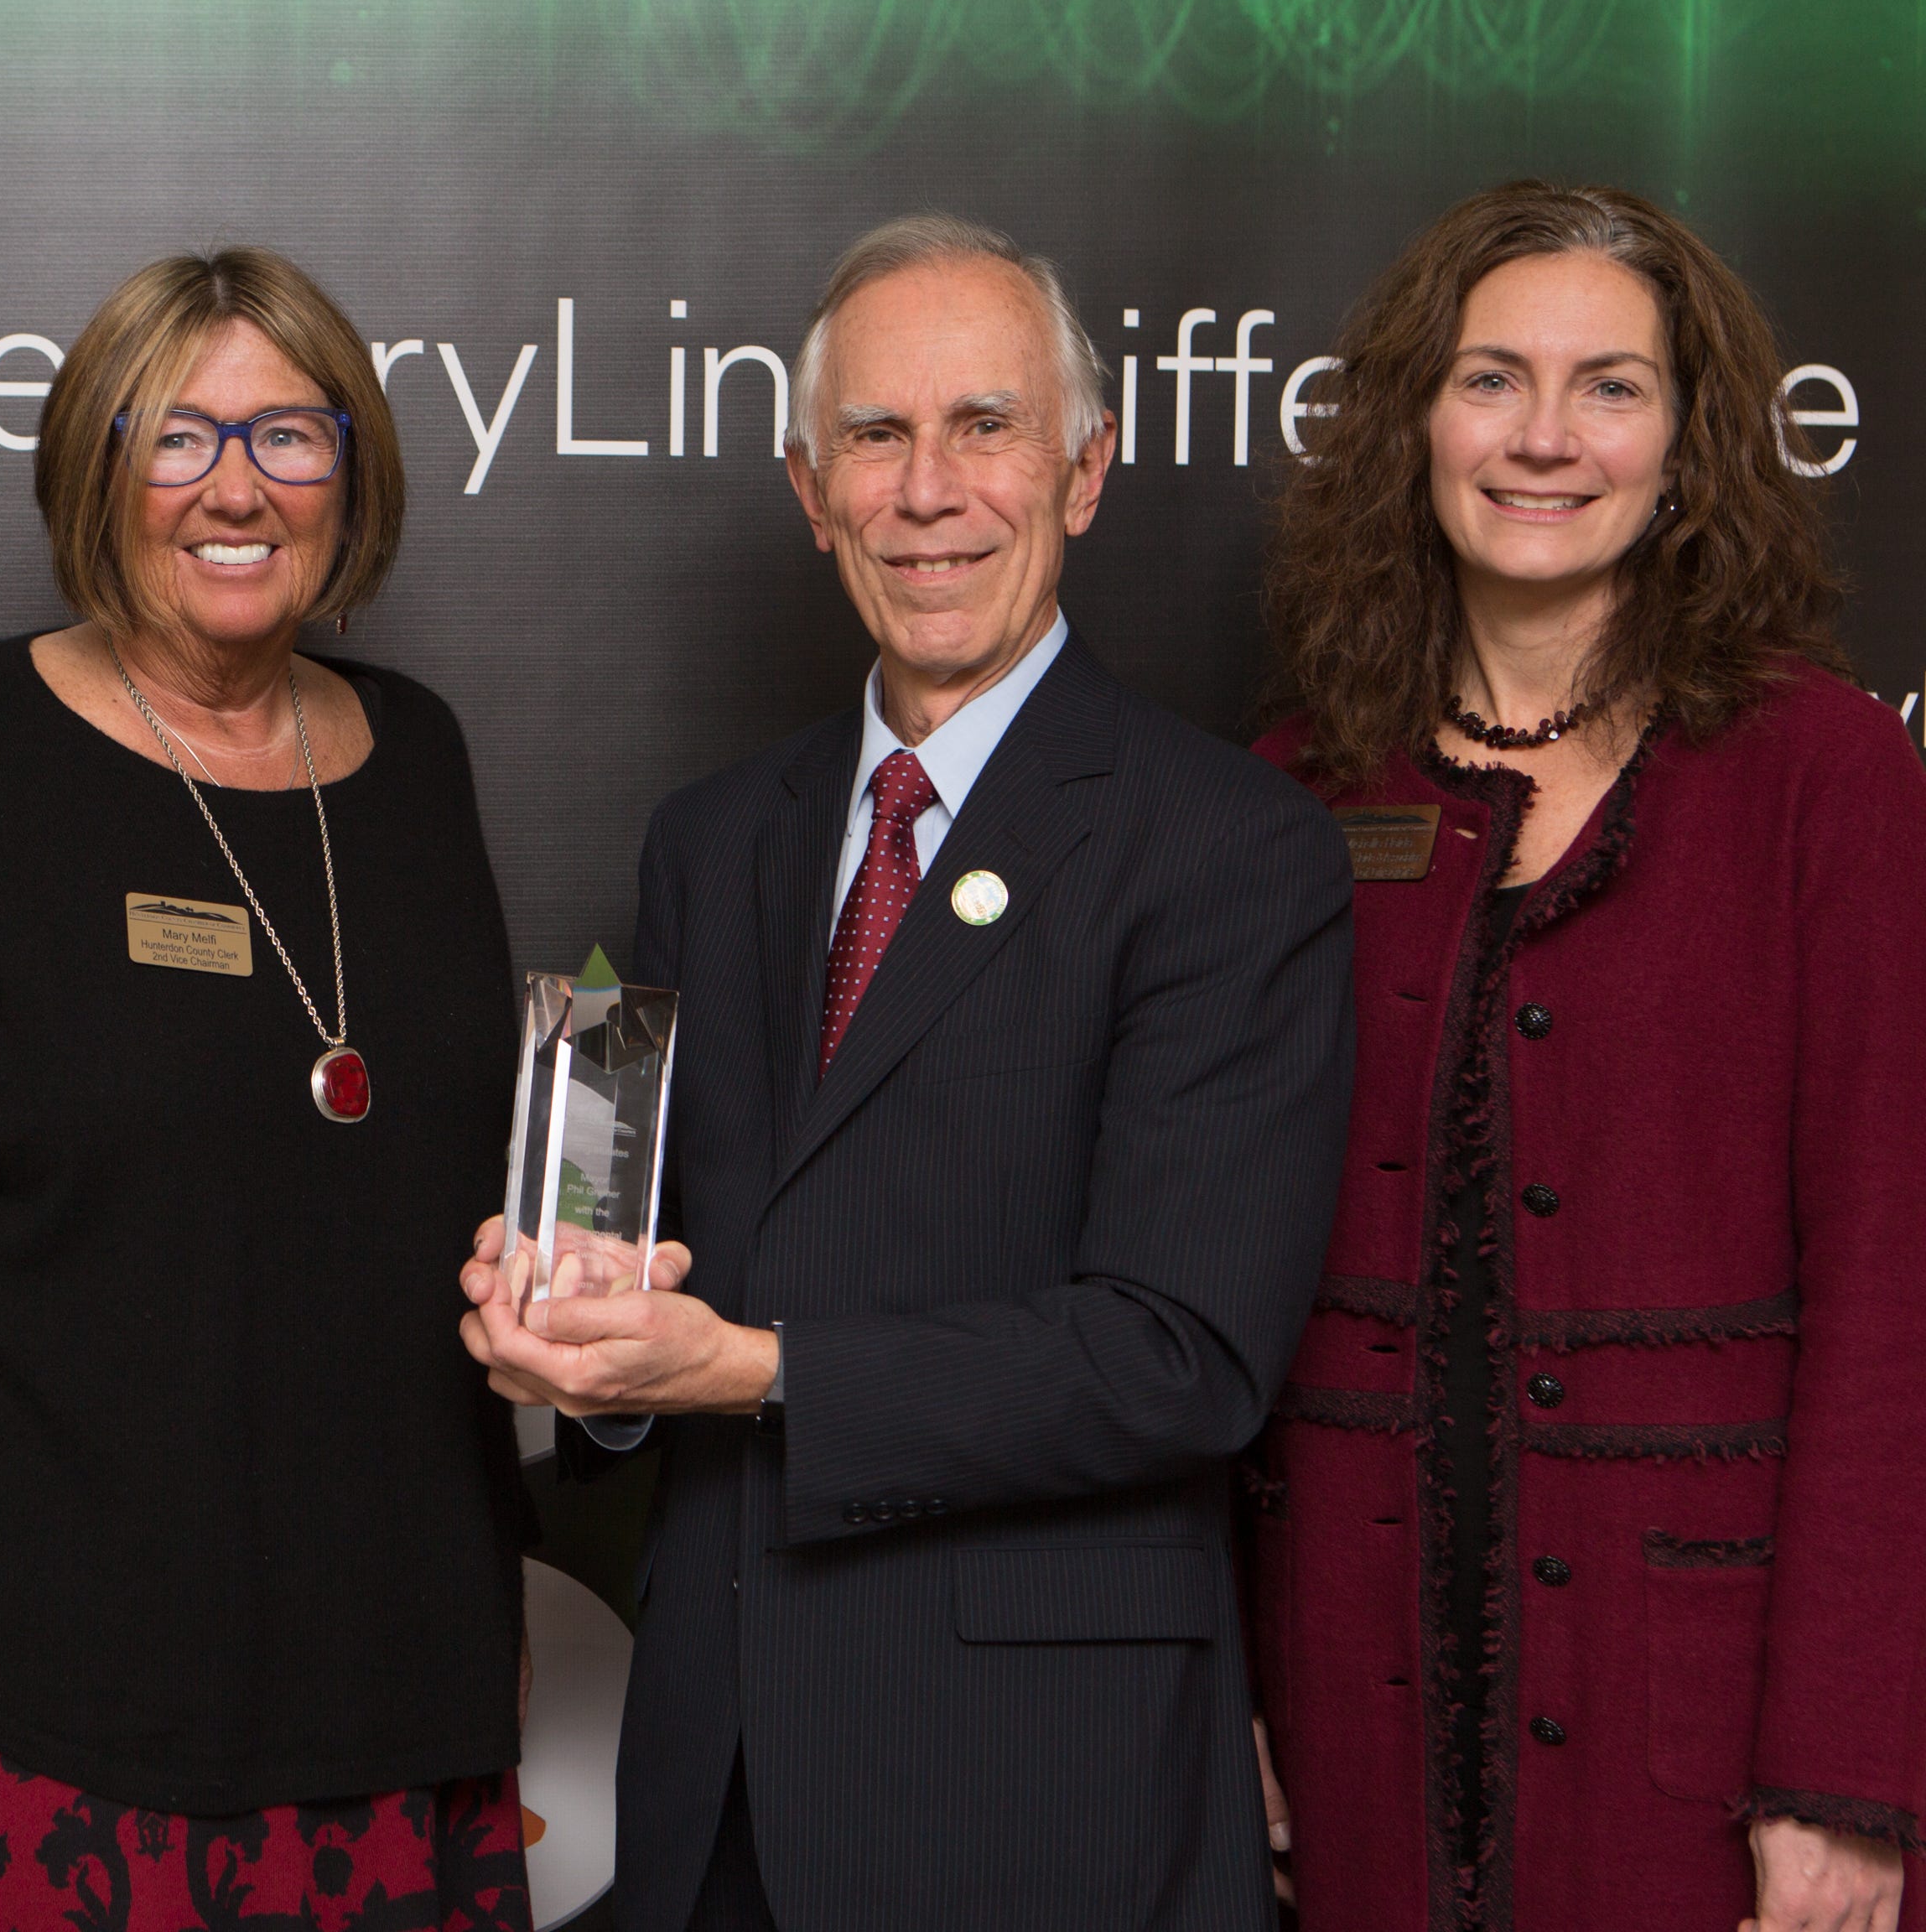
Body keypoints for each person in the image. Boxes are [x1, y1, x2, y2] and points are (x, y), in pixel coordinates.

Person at [460, 214, 1356, 1929]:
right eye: (876, 436)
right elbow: (685, 1269)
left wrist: (753, 1370)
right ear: (811, 489)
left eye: (985, 427)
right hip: (717, 1779)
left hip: (1033, 1790)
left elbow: (1181, 1357)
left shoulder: (1232, 851)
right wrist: (590, 1347)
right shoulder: (715, 842)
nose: (927, 490)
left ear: (1086, 470)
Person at [0, 247, 533, 1931]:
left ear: (350, 473)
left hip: (393, 1720)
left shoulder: (419, 758)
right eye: (177, 435)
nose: (236, 486)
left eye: (289, 437)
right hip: (34, 1735)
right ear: (98, 465)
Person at [1247, 180, 1926, 1932]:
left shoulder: (1829, 781)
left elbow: (1893, 1297)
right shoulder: (1294, 793)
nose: (1546, 437)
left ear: (1691, 446)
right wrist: (1231, 1687)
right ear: (1413, 425)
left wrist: (1850, 1779)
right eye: (1492, 380)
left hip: (1705, 1735)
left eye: (1611, 387)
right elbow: (1215, 1300)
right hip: (1347, 1707)